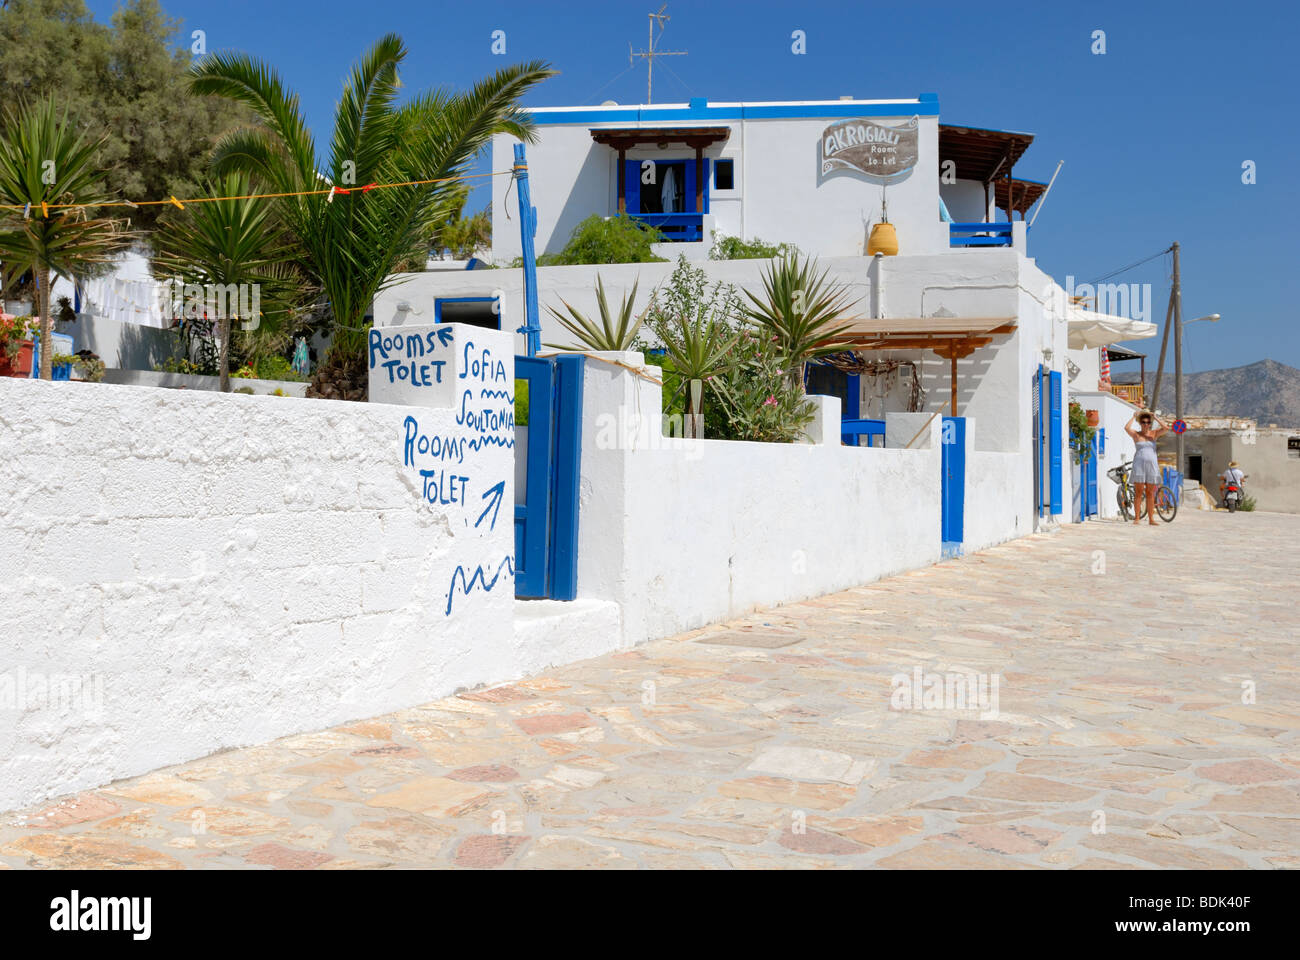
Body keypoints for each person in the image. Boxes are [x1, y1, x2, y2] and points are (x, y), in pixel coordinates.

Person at [1124, 410, 1169, 525]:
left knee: (1150, 493)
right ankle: (1137, 518)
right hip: (1139, 466)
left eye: (1148, 422)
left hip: (1152, 466)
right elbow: (1126, 428)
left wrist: (1155, 417)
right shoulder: (1136, 435)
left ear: (1150, 423)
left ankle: (1151, 519)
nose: (1146, 424)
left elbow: (1166, 428)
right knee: (1138, 492)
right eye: (1143, 422)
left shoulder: (1154, 433)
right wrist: (1134, 417)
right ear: (1140, 423)